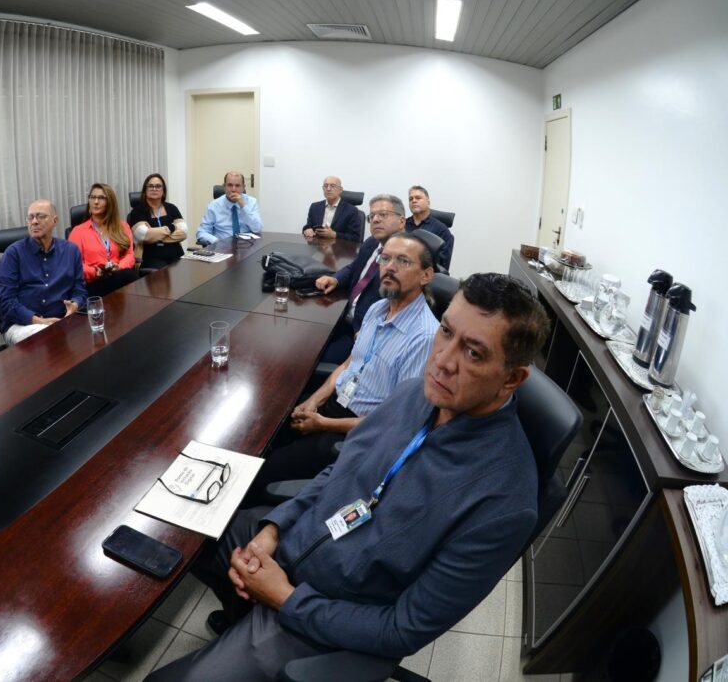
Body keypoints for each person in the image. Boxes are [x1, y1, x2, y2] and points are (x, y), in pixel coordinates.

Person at [146, 273, 551, 682]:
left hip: (330, 615)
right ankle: (242, 615)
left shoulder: (503, 502)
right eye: (445, 331)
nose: (443, 361)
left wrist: (286, 599)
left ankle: (253, 627)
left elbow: (401, 630)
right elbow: (339, 472)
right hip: (295, 541)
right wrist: (273, 528)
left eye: (474, 353)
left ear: (512, 378)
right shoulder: (416, 393)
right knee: (182, 532)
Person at [250, 232, 438, 495]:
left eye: (403, 261)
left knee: (259, 474)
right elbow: (350, 362)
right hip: (333, 404)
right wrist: (313, 401)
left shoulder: (424, 338)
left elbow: (396, 424)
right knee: (258, 432)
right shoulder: (378, 308)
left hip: (356, 432)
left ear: (426, 275)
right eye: (385, 259)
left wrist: (321, 423)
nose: (390, 267)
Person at [313, 194, 407, 363]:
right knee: (306, 340)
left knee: (314, 359)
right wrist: (336, 279)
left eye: (383, 214)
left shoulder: (405, 260)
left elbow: (400, 309)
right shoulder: (372, 243)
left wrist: (368, 334)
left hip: (362, 332)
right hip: (343, 315)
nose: (376, 220)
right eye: (372, 216)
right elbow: (355, 267)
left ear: (402, 221)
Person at [0, 199, 87, 345]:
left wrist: (74, 305)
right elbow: (5, 303)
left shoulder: (71, 251)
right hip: (22, 325)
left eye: (41, 216)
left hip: (62, 320)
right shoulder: (13, 254)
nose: (34, 222)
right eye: (30, 217)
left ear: (55, 220)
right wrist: (40, 321)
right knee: (47, 339)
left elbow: (80, 290)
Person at [68, 183, 138, 297]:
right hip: (93, 283)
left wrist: (119, 267)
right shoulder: (78, 231)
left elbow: (130, 254)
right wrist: (94, 272)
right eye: (92, 197)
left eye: (101, 198)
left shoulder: (122, 226)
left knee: (127, 277)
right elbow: (73, 264)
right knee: (130, 277)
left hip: (118, 276)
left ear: (110, 202)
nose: (95, 202)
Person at [127, 173, 187, 270]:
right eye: (150, 186)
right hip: (150, 257)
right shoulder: (137, 211)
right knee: (166, 272)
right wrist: (171, 228)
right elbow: (143, 235)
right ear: (145, 190)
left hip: (176, 254)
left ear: (163, 190)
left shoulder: (172, 208)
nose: (154, 189)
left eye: (158, 186)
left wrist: (153, 235)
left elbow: (184, 232)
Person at [196, 172, 263, 246]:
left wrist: (243, 206)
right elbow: (201, 232)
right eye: (230, 185)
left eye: (237, 185)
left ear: (243, 187)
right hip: (222, 248)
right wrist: (216, 241)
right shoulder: (214, 206)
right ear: (224, 187)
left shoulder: (251, 202)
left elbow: (257, 229)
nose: (233, 189)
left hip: (247, 247)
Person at [301, 175, 363, 243]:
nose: (328, 189)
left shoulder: (352, 211)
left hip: (339, 249)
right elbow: (308, 225)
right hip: (316, 247)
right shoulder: (315, 207)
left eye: (332, 186)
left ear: (340, 190)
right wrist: (307, 229)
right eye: (325, 186)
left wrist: (335, 235)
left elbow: (355, 238)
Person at [406, 185, 454, 270]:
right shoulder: (401, 225)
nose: (414, 201)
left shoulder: (441, 230)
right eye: (411, 199)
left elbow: (441, 265)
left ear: (428, 202)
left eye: (418, 198)